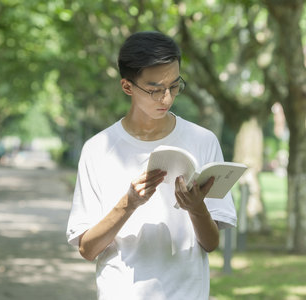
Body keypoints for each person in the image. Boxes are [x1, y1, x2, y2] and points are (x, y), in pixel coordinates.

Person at [66, 31, 237, 300]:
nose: (167, 98)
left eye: (174, 86)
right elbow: (87, 249)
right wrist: (129, 203)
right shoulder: (98, 149)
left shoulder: (203, 141)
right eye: (155, 89)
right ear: (127, 86)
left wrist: (196, 207)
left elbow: (211, 243)